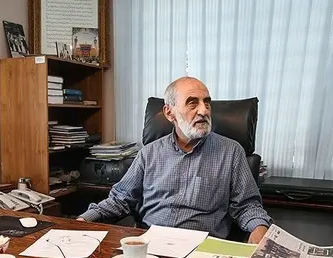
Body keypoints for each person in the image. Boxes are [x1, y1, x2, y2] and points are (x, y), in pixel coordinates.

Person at [77, 76, 273, 244]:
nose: (204, 111)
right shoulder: (149, 153)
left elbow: (247, 205)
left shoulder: (231, 152)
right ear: (169, 112)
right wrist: (82, 221)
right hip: (150, 246)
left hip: (202, 249)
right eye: (192, 103)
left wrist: (259, 227)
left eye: (207, 102)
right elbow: (120, 199)